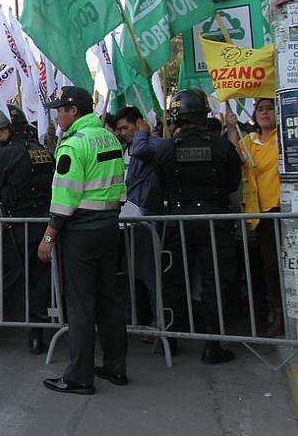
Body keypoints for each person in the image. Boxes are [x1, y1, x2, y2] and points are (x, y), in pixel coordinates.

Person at [38, 86, 127, 395]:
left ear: (73, 111)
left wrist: (49, 235)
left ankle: (79, 377)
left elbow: (64, 197)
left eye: (60, 110)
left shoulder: (74, 145)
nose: (57, 116)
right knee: (109, 301)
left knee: (80, 306)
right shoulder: (110, 138)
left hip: (81, 232)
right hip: (109, 226)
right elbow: (119, 188)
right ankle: (116, 366)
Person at [156, 89, 241, 364]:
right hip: (214, 220)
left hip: (178, 221)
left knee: (173, 281)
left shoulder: (166, 149)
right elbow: (231, 184)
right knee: (214, 281)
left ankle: (170, 340)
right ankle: (212, 345)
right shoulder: (222, 146)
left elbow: (159, 186)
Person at [0, 104, 54, 354]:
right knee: (38, 282)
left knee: (2, 278)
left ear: (12, 128)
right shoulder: (42, 151)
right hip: (42, 225)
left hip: (16, 225)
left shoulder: (9, 154)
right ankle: (36, 338)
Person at [228, 98, 283, 337]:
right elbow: (233, 155)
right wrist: (230, 126)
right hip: (261, 216)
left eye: (269, 108)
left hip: (283, 209)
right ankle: (276, 313)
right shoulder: (248, 142)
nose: (264, 113)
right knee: (268, 269)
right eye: (260, 109)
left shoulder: (284, 137)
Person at [114, 106, 164, 330]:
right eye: (119, 129)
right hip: (124, 219)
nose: (122, 132)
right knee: (130, 273)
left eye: (126, 127)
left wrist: (144, 134)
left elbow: (144, 153)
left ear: (139, 124)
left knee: (151, 274)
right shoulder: (121, 149)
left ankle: (159, 322)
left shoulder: (153, 146)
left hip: (145, 218)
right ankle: (136, 318)